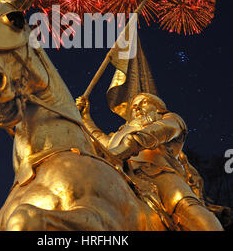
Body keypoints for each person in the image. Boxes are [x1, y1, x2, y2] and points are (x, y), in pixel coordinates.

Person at [76, 93, 223, 231]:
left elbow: (159, 132)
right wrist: (85, 118)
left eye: (144, 102)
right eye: (133, 106)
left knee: (185, 207)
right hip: (123, 178)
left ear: (158, 107)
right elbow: (99, 140)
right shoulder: (118, 135)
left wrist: (129, 145)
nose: (137, 108)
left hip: (157, 174)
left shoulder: (170, 119)